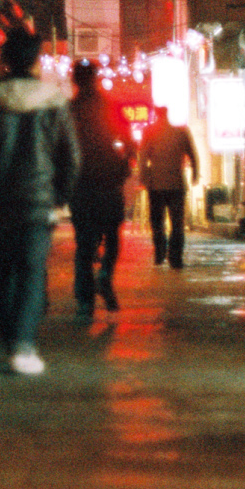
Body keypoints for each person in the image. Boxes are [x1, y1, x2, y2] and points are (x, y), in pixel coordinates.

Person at [0, 25, 79, 376]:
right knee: (32, 272)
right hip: (37, 203)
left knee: (3, 275)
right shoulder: (53, 101)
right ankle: (23, 345)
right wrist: (59, 195)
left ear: (5, 59)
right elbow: (71, 157)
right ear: (36, 60)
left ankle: (12, 339)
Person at [69, 60, 134, 318]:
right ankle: (105, 274)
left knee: (84, 242)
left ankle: (85, 299)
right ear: (96, 78)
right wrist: (124, 164)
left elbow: (59, 146)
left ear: (75, 80)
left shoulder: (69, 109)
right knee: (112, 234)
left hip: (80, 181)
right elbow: (129, 141)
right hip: (108, 177)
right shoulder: (109, 106)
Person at [137, 105, 198, 270]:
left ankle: (159, 253)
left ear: (157, 115)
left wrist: (144, 178)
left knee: (157, 222)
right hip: (176, 183)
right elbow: (193, 154)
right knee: (177, 223)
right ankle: (175, 258)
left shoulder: (149, 132)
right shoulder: (181, 132)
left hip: (156, 184)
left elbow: (143, 157)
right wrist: (195, 173)